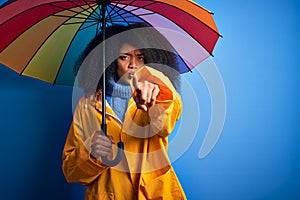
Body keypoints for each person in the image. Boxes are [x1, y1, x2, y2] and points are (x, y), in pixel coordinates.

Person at [62, 23, 186, 200]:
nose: (133, 65)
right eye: (124, 57)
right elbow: (70, 171)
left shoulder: (156, 95)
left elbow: (165, 121)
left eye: (141, 57)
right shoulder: (86, 106)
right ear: (111, 61)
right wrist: (90, 152)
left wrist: (157, 89)